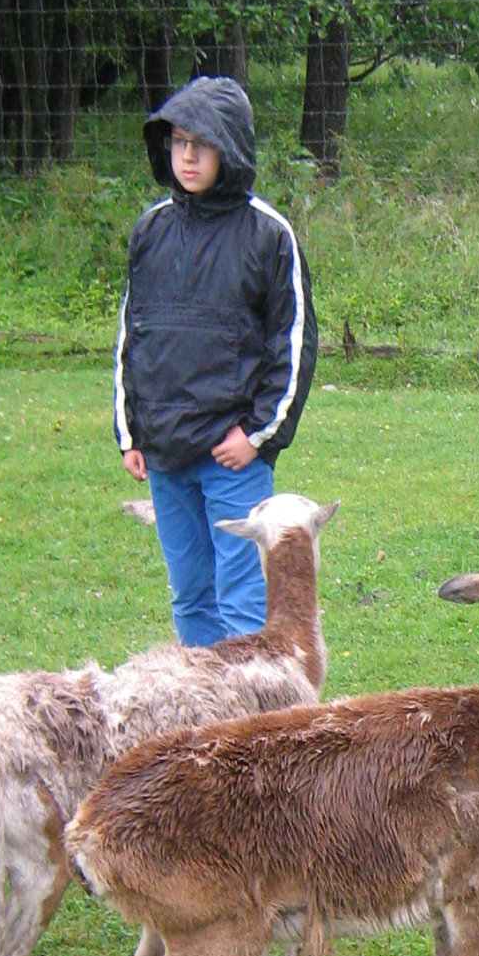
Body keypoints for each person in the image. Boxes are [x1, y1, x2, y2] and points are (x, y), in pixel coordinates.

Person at [115, 75, 317, 643]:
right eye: (179, 142)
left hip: (232, 459)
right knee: (191, 596)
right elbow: (133, 336)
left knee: (243, 601)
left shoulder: (268, 235)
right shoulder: (152, 230)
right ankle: (202, 701)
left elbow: (293, 345)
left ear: (230, 149)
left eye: (201, 144)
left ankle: (248, 704)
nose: (187, 156)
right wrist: (131, 433)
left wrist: (255, 435)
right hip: (165, 454)